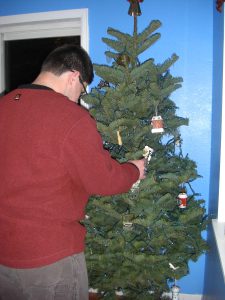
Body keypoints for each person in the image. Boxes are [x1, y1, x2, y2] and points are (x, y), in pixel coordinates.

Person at [0, 44, 146, 300]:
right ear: (74, 76)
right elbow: (103, 180)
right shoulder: (71, 117)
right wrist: (133, 170)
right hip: (51, 259)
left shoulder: (4, 105)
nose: (80, 96)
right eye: (82, 89)